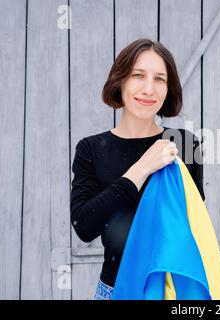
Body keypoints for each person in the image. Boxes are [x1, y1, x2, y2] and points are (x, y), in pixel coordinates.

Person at [69, 38, 205, 300]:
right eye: (138, 75)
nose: (148, 89)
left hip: (172, 292)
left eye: (160, 79)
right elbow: (84, 226)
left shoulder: (185, 144)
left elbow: (192, 228)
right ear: (120, 81)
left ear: (169, 88)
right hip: (114, 290)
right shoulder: (91, 149)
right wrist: (141, 168)